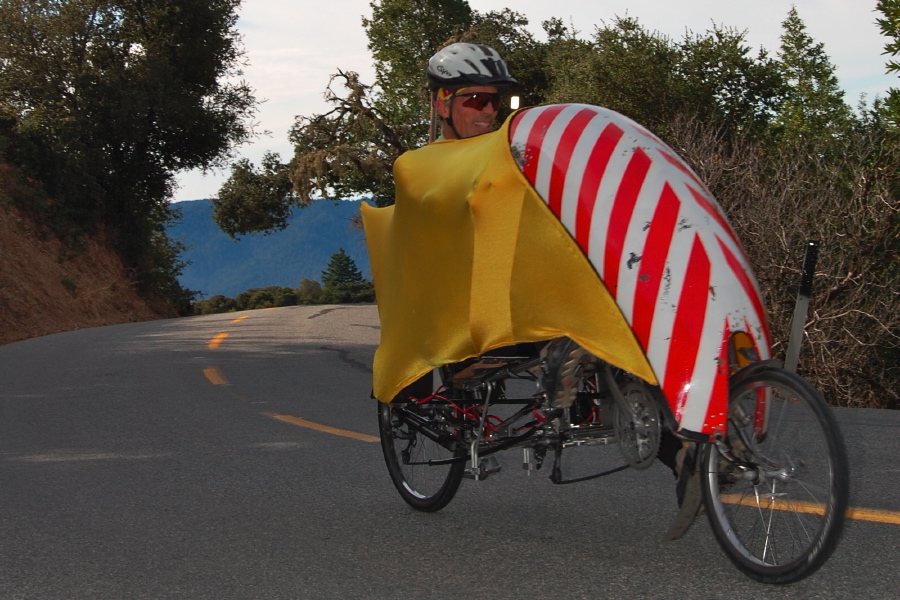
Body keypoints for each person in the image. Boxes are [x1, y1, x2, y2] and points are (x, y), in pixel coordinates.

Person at [426, 42, 517, 141]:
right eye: (477, 100)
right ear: (443, 107)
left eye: (495, 100)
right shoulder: (419, 157)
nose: (490, 110)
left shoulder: (511, 154)